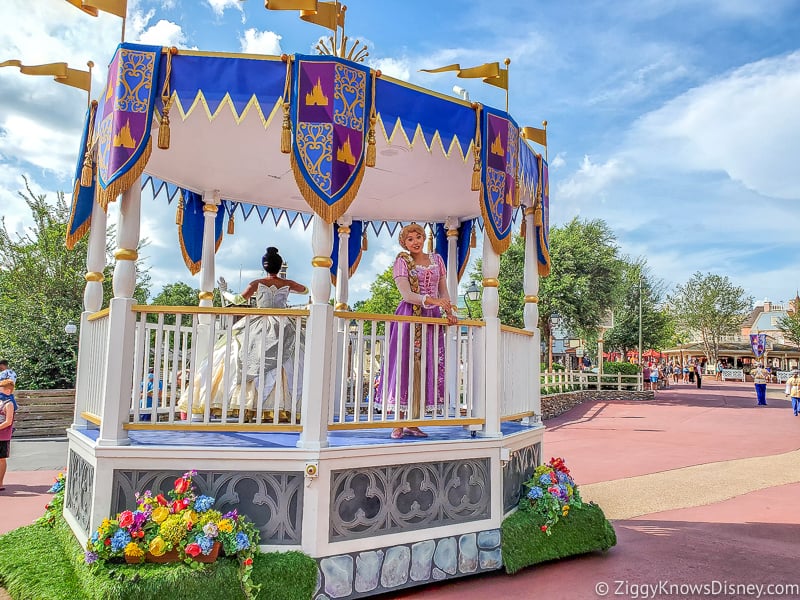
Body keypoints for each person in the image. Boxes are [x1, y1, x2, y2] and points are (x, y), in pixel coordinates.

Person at [178, 247, 308, 422]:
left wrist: (224, 291)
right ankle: (282, 406)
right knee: (292, 358)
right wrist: (287, 287)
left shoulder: (257, 283)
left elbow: (239, 300)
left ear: (265, 266)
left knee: (235, 354)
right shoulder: (288, 284)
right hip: (283, 323)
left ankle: (245, 403)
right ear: (278, 267)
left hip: (259, 322)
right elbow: (305, 290)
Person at [377, 224, 458, 439]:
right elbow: (407, 295)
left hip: (431, 319)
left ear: (424, 238)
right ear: (404, 243)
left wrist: (448, 310)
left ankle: (414, 421)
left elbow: (444, 290)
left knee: (425, 367)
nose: (415, 242)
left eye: (418, 237)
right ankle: (398, 421)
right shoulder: (402, 262)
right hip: (409, 317)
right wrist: (434, 301)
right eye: (410, 239)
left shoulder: (437, 260)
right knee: (405, 365)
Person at [0, 377, 16, 492]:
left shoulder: (9, 404)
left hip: (3, 436)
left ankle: (0, 483)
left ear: (8, 391)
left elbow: (8, 421)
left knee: (1, 459)